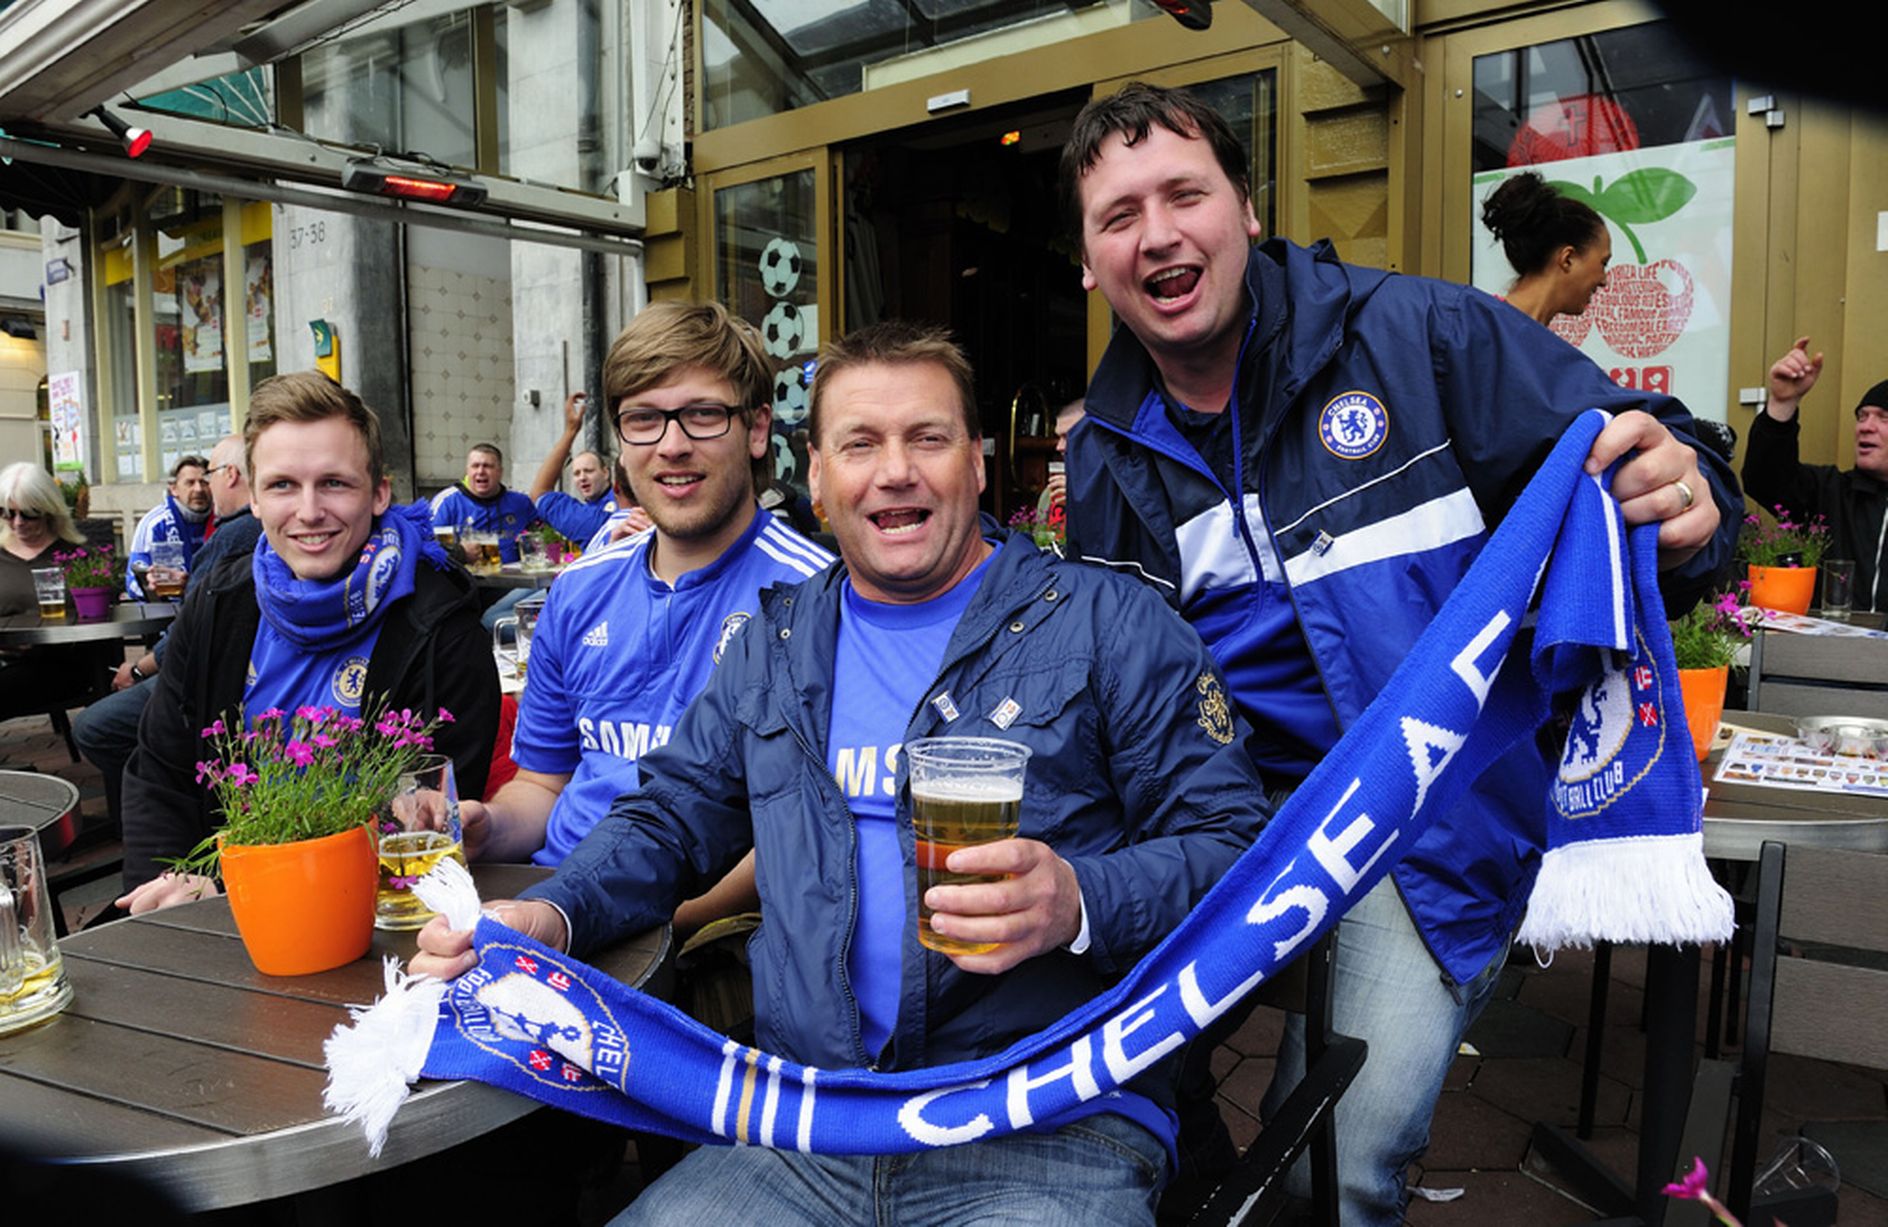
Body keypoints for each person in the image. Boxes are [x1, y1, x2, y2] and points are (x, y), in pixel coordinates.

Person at [1057, 82, 1739, 1223]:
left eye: (1185, 194)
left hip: (1424, 821)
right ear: (1087, 262)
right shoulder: (1105, 453)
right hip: (1221, 822)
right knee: (1084, 1039)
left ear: (1248, 210)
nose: (1157, 233)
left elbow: (1653, 455)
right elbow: (1121, 692)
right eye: (1118, 216)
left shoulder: (1422, 334)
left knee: (1343, 1159)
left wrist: (1688, 495)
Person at [413, 322, 1273, 1225]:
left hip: (1046, 1119)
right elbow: (667, 817)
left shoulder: (1112, 625)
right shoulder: (775, 644)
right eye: (860, 443)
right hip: (808, 1125)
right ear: (818, 477)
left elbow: (1240, 852)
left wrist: (1079, 898)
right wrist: (553, 909)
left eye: (927, 438)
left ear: (976, 466)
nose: (893, 470)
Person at [461, 300, 833, 882]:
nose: (671, 445)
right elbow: (541, 785)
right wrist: (486, 826)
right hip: (551, 896)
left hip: (702, 935)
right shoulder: (578, 589)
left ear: (758, 429)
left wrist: (648, 922)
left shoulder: (817, 597)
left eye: (704, 415)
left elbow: (803, 827)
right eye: (643, 419)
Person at [117, 372, 500, 914]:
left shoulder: (443, 629)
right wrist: (175, 880)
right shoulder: (220, 602)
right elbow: (160, 766)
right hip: (221, 911)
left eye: (335, 483)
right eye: (282, 486)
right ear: (252, 498)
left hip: (372, 920)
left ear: (379, 493)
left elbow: (425, 826)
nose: (309, 511)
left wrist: (234, 890)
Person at [72, 436, 263, 828]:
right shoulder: (245, 530)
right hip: (234, 671)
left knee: (94, 727)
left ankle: (169, 807)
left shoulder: (233, 533)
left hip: (208, 675)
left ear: (229, 475)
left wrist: (140, 668)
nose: (202, 487)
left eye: (206, 476)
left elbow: (192, 630)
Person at [1742, 336, 1888, 610]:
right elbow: (1764, 479)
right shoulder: (1831, 493)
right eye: (1862, 416)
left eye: (1884, 418)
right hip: (1831, 651)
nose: (1866, 427)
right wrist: (1781, 404)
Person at [0, 463, 114, 730]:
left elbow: (103, 620)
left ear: (50, 510)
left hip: (61, 663)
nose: (18, 523)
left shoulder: (80, 558)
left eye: (29, 514)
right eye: (7, 513)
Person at [1481, 170, 1612, 328]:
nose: (1604, 281)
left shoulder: (1484, 325)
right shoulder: (1478, 327)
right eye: (1603, 263)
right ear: (1567, 259)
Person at [528, 391, 619, 547]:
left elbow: (539, 494)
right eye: (577, 473)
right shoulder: (587, 510)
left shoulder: (594, 518)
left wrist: (571, 431)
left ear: (606, 473)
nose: (582, 477)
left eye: (589, 471)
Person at [428, 442, 539, 563]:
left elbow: (542, 537)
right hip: (464, 579)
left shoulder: (521, 502)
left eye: (488, 466)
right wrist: (460, 552)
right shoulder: (447, 503)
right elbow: (428, 547)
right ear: (467, 471)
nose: (481, 471)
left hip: (516, 577)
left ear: (500, 472)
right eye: (475, 466)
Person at [124, 454, 212, 597]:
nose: (199, 489)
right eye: (190, 483)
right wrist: (150, 585)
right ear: (174, 489)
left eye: (204, 482)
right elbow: (133, 582)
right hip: (168, 610)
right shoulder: (155, 524)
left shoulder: (223, 518)